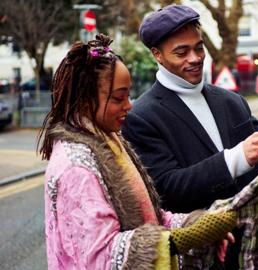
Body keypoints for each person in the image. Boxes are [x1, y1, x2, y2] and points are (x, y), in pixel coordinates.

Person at [122, 6, 258, 268]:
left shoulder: (232, 101)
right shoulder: (141, 117)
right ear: (157, 55)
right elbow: (166, 190)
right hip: (203, 255)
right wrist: (235, 158)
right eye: (181, 51)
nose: (195, 58)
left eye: (199, 48)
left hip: (256, 250)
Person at [39, 34, 237, 269]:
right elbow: (101, 258)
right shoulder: (75, 168)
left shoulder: (110, 141)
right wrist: (176, 241)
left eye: (128, 95)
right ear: (85, 102)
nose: (129, 105)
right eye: (118, 98)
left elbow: (150, 217)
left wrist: (196, 224)